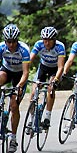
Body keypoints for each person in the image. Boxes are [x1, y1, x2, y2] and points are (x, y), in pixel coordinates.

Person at [0, 24, 30, 152]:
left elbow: (25, 73)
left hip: (19, 75)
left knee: (13, 105)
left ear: (17, 40)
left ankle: (13, 138)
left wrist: (18, 87)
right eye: (8, 42)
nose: (11, 45)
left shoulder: (24, 50)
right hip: (6, 71)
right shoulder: (1, 47)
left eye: (13, 41)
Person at [30, 26, 65, 128]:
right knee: (33, 91)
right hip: (43, 67)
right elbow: (29, 60)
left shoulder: (60, 47)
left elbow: (61, 67)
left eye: (49, 40)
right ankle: (32, 119)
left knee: (50, 88)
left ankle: (47, 117)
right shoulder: (39, 44)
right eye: (45, 40)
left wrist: (56, 80)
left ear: (54, 40)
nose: (47, 43)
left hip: (55, 70)